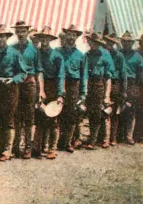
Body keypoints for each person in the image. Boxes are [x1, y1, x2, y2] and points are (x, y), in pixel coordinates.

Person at [0, 25, 27, 162]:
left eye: (2, 37)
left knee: (8, 119)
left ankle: (7, 150)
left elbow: (23, 73)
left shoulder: (15, 54)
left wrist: (13, 79)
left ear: (7, 38)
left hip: (10, 89)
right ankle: (0, 148)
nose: (0, 39)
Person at [11, 21, 42, 159]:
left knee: (29, 116)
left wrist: (40, 91)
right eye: (18, 31)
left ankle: (28, 147)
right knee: (16, 115)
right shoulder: (12, 48)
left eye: (23, 31)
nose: (21, 34)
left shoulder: (34, 50)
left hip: (29, 83)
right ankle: (16, 146)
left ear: (27, 32)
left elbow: (39, 71)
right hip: (16, 83)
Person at [33, 27, 65, 159]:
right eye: (42, 38)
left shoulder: (57, 56)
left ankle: (52, 148)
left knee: (53, 119)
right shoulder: (36, 53)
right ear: (39, 39)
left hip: (52, 87)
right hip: (39, 86)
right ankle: (38, 147)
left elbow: (60, 76)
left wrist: (59, 95)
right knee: (39, 118)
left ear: (51, 40)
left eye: (47, 38)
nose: (44, 40)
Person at [56, 25, 88, 153]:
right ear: (66, 35)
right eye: (69, 34)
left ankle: (68, 142)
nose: (71, 37)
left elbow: (83, 75)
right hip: (59, 83)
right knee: (59, 113)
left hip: (73, 85)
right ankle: (58, 141)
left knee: (71, 114)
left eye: (74, 35)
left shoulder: (80, 55)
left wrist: (83, 93)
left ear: (76, 37)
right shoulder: (57, 52)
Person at [84, 33, 114, 149]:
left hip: (100, 84)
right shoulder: (86, 55)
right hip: (89, 84)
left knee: (100, 112)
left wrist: (107, 95)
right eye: (91, 42)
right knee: (91, 112)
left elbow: (108, 77)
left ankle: (97, 140)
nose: (93, 45)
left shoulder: (105, 55)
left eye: (96, 43)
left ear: (99, 44)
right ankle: (93, 137)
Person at [102, 33, 127, 145]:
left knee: (114, 112)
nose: (109, 45)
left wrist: (123, 90)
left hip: (116, 84)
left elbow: (123, 74)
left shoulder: (119, 56)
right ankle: (103, 137)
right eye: (108, 43)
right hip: (105, 83)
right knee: (104, 111)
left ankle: (113, 137)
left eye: (112, 43)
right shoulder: (103, 54)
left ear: (115, 44)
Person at [119, 31, 143, 145]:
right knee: (119, 108)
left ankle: (129, 135)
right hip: (119, 83)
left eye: (129, 42)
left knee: (131, 110)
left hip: (133, 83)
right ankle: (118, 135)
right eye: (124, 42)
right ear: (121, 42)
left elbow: (140, 73)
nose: (126, 44)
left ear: (133, 43)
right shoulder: (118, 54)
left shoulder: (137, 57)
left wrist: (137, 87)